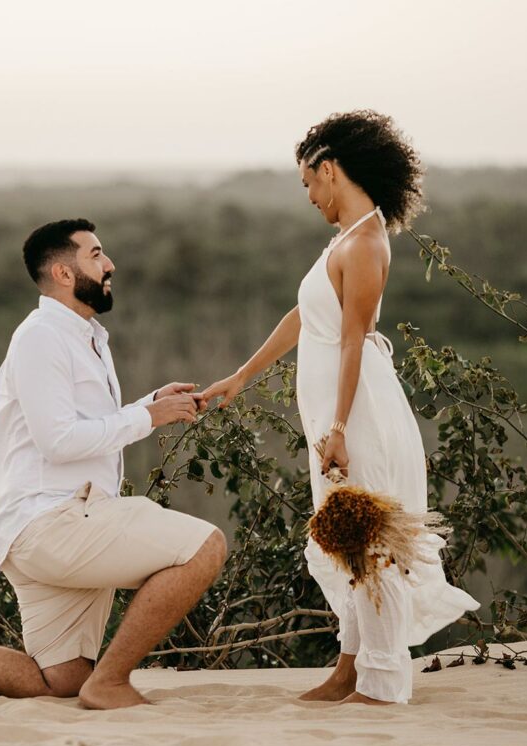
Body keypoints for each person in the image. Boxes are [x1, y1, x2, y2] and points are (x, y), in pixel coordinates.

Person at [0, 218, 227, 710]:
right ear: (63, 272)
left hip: (50, 526)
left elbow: (84, 423)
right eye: (96, 254)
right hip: (55, 520)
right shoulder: (40, 337)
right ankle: (112, 681)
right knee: (205, 548)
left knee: (57, 680)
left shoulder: (84, 336)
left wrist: (152, 401)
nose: (110, 264)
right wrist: (147, 416)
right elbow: (58, 440)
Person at [199, 111, 478, 705]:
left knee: (369, 543)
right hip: (337, 415)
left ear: (330, 170)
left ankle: (381, 683)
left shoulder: (368, 243)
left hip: (359, 416)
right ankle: (349, 669)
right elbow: (306, 319)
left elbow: (353, 339)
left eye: (308, 182)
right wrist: (241, 377)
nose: (308, 196)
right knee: (347, 539)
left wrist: (340, 428)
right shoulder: (346, 240)